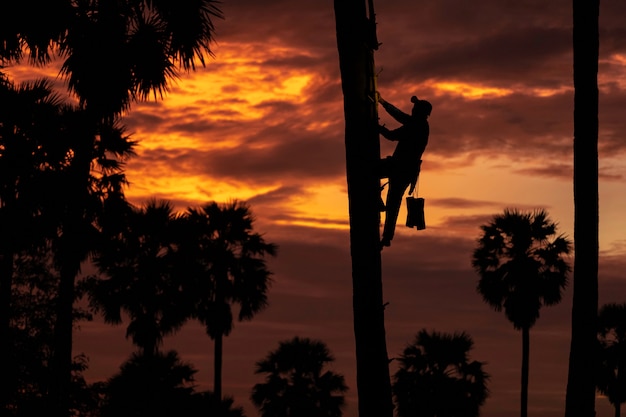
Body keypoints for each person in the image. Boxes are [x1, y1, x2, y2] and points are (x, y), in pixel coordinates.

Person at [377, 93, 431, 248]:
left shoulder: (416, 126)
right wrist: (383, 102)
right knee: (393, 202)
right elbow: (399, 115)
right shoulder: (419, 124)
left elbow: (392, 135)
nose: (412, 109)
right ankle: (387, 237)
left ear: (419, 112)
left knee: (369, 172)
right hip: (406, 171)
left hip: (399, 168)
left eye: (415, 107)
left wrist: (377, 127)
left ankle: (387, 236)